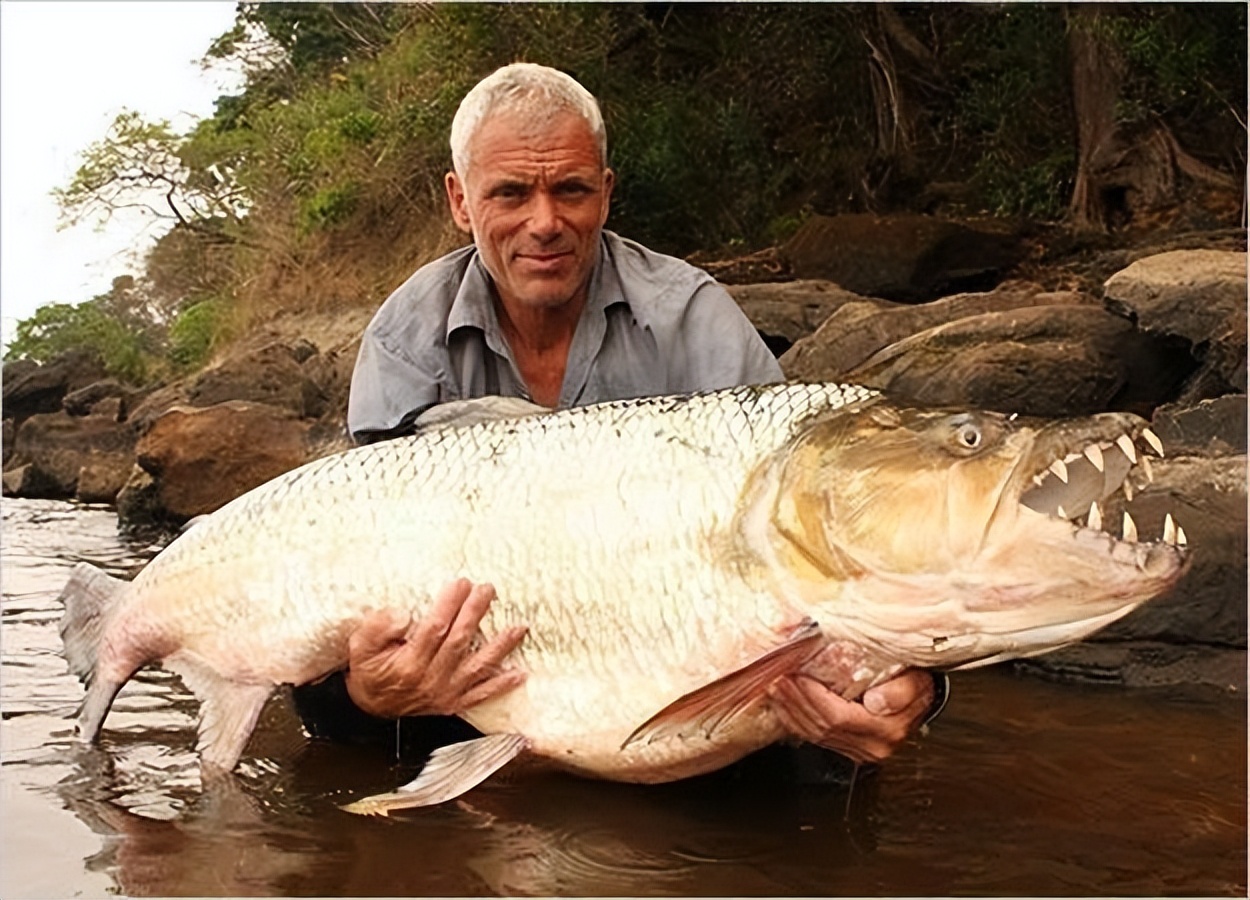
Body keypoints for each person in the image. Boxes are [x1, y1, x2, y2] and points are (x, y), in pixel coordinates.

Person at [293, 62, 943, 781]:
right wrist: (366, 691)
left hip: (679, 656)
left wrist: (915, 682)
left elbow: (820, 541)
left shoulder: (691, 315)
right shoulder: (404, 337)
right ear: (459, 201)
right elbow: (352, 563)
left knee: (823, 752)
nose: (545, 222)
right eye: (510, 193)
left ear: (606, 192)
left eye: (570, 189)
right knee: (339, 723)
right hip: (483, 674)